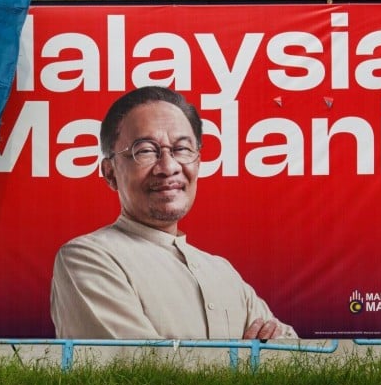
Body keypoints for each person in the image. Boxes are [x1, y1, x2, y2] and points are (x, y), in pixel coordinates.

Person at [50, 86, 296, 340]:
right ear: (110, 172)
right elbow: (140, 364)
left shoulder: (223, 273)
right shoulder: (87, 259)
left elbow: (298, 355)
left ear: (198, 162)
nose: (168, 167)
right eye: (145, 150)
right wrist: (249, 357)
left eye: (181, 149)